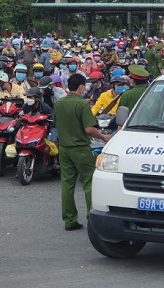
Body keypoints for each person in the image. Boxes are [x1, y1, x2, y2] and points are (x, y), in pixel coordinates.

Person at [53, 73, 111, 231]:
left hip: (64, 149)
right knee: (88, 182)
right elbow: (89, 129)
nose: (86, 89)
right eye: (84, 86)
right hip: (80, 148)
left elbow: (56, 124)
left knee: (67, 184)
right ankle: (92, 218)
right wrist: (103, 137)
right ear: (80, 87)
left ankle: (69, 220)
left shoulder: (59, 103)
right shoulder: (82, 104)